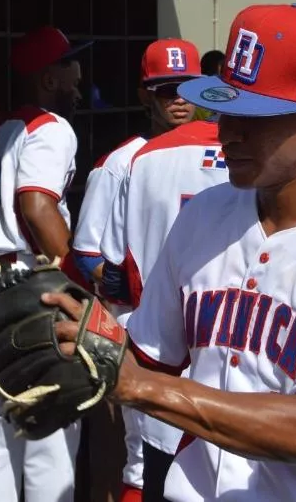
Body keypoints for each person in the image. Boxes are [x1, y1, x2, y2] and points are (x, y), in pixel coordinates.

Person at [0, 3, 296, 501]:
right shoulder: (205, 213)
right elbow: (146, 355)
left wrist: (140, 387)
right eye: (225, 107)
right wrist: (15, 296)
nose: (227, 131)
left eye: (253, 117)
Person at [0, 25, 89, 502]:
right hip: (29, 287)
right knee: (47, 442)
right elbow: (35, 204)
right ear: (48, 79)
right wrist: (76, 286)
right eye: (68, 65)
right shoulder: (49, 128)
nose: (78, 75)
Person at [99, 117, 229, 502]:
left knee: (143, 467)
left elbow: (103, 261)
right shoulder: (261, 163)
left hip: (154, 334)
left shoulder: (136, 158)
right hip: (204, 343)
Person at [70, 39, 201, 289]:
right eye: (168, 90)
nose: (181, 99)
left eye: (188, 89)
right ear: (145, 96)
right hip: (143, 317)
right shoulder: (119, 163)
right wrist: (141, 299)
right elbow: (87, 252)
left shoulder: (219, 154)